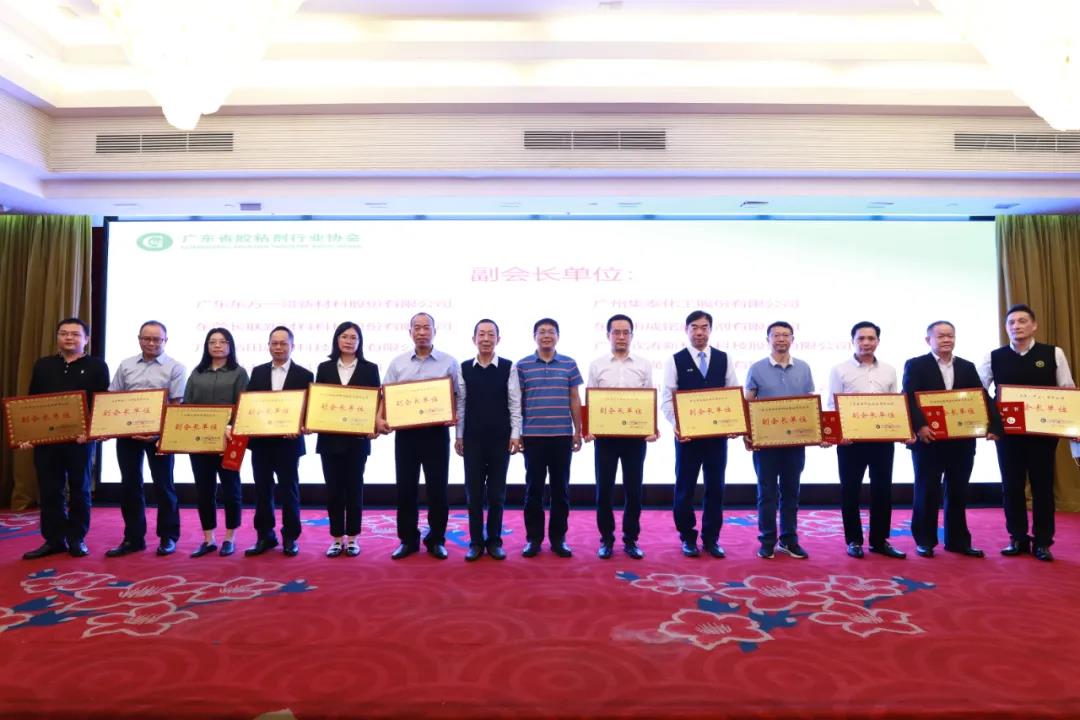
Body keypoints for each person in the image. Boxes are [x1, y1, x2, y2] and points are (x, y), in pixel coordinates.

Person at [979, 304, 1076, 561]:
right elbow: (980, 393)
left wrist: (1073, 425)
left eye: (1022, 321)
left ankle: (1043, 542)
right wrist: (991, 424)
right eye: (1011, 322)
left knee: (1043, 487)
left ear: (1034, 326)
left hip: (1042, 434)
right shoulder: (994, 357)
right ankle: (1018, 538)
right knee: (1011, 487)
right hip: (1008, 434)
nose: (1016, 326)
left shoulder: (1053, 353)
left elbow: (1067, 389)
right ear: (1006, 328)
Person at [902, 321, 1002, 559]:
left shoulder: (967, 366)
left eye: (950, 336)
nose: (946, 340)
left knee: (958, 491)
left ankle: (957, 541)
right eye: (941, 336)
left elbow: (981, 397)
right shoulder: (916, 364)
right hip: (929, 440)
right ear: (928, 340)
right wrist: (920, 426)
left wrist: (995, 425)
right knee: (927, 491)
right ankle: (925, 541)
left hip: (962, 441)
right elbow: (908, 397)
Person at [21, 318, 110, 560]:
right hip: (47, 442)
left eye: (75, 334)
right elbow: (31, 404)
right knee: (50, 489)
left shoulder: (97, 366)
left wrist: (90, 432)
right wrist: (28, 435)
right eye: (63, 333)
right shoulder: (43, 365)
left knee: (80, 489)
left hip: (80, 440)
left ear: (86, 339)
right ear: (58, 337)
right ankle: (54, 539)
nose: (69, 337)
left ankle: (76, 538)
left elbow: (101, 404)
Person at [380, 312, 459, 560]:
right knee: (406, 489)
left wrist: (455, 417)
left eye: (427, 327)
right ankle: (408, 540)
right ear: (410, 332)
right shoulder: (398, 363)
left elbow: (459, 396)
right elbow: (385, 395)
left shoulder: (449, 362)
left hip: (436, 435)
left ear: (435, 331)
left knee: (438, 490)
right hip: (406, 436)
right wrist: (380, 419)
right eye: (417, 327)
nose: (422, 332)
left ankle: (436, 540)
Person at [660, 310, 738, 559]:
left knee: (716, 488)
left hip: (716, 438)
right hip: (688, 439)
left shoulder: (724, 358)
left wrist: (735, 422)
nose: (699, 332)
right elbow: (667, 399)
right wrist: (678, 425)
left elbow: (733, 393)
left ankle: (711, 538)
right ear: (686, 330)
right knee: (685, 488)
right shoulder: (675, 360)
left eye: (704, 327)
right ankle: (687, 537)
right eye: (694, 327)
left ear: (710, 330)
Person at [105, 320, 186, 557]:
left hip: (160, 437)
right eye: (146, 338)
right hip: (128, 434)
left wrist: (157, 433)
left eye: (156, 339)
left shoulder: (176, 367)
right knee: (130, 486)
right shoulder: (126, 365)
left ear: (165, 341)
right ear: (139, 339)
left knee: (164, 486)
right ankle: (133, 538)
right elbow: (113, 399)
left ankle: (168, 537)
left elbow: (176, 405)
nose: (151, 343)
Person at [826, 321, 906, 559]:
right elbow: (832, 405)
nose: (866, 343)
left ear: (878, 341)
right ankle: (853, 540)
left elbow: (894, 404)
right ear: (853, 341)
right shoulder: (839, 370)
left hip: (882, 440)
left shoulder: (889, 370)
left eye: (871, 338)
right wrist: (838, 435)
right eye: (861, 338)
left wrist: (900, 429)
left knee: (883, 490)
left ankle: (880, 541)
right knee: (850, 490)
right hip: (851, 442)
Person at [585, 313, 656, 560]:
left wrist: (651, 427)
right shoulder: (597, 365)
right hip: (605, 439)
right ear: (608, 335)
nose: (621, 336)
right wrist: (589, 427)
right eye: (616, 332)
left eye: (626, 332)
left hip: (635, 439)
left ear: (632, 336)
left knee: (634, 491)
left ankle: (630, 539)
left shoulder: (644, 365)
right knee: (604, 491)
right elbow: (591, 401)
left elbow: (649, 400)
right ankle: (606, 539)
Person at [745, 321, 814, 560]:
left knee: (791, 492)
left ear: (792, 339)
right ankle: (767, 540)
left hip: (795, 443)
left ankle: (789, 539)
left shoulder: (804, 368)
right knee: (766, 493)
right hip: (766, 444)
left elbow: (808, 403)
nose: (781, 339)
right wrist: (747, 434)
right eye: (776, 335)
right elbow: (748, 403)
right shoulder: (756, 368)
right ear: (768, 339)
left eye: (786, 335)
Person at [454, 319, 522, 561]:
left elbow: (515, 403)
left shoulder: (508, 367)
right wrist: (459, 435)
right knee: (473, 494)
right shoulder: (464, 367)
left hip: (500, 439)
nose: (485, 339)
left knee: (496, 494)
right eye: (481, 334)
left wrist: (515, 434)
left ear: (498, 339)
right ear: (474, 339)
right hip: (472, 439)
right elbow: (460, 404)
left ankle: (494, 541)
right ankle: (475, 542)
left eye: (491, 334)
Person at [244, 326, 314, 557]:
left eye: (283, 343)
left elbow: (309, 410)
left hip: (288, 443)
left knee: (289, 490)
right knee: (262, 491)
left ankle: (290, 537)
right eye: (274, 343)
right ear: (268, 346)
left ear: (292, 346)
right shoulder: (258, 372)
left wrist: (300, 426)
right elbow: (250, 405)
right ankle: (265, 536)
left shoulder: (305, 375)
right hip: (261, 443)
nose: (278, 347)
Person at [517, 318, 583, 558]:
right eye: (541, 332)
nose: (546, 335)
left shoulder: (569, 364)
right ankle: (533, 539)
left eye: (551, 332)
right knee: (533, 490)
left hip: (562, 436)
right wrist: (517, 433)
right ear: (534, 336)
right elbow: (517, 402)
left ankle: (558, 539)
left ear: (558, 336)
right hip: (533, 437)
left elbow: (574, 398)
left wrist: (578, 430)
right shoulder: (522, 365)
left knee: (560, 491)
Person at [315, 321, 380, 558]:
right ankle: (336, 538)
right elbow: (318, 402)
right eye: (344, 336)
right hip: (329, 440)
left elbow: (376, 402)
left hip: (357, 441)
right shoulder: (324, 367)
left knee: (354, 490)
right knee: (333, 491)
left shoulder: (370, 368)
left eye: (354, 337)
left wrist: (373, 425)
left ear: (360, 342)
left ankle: (352, 538)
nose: (349, 341)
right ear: (337, 340)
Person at [183, 328, 249, 558]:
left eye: (222, 342)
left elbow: (244, 406)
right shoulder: (197, 372)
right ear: (206, 346)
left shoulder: (239, 373)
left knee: (231, 489)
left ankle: (230, 537)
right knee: (204, 490)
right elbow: (187, 405)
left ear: (230, 345)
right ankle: (208, 539)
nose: (217, 346)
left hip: (229, 441)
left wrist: (231, 426)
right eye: (212, 342)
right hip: (200, 441)